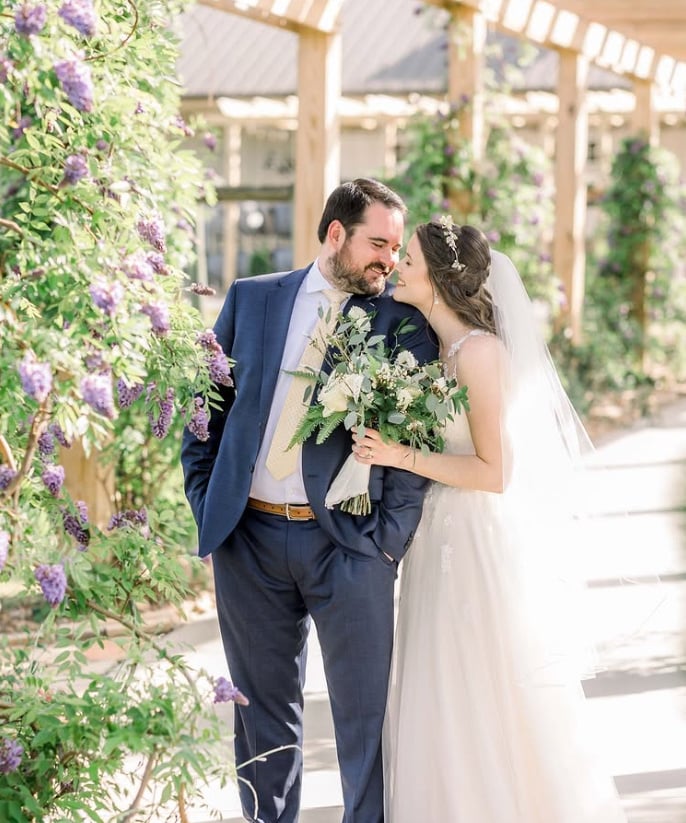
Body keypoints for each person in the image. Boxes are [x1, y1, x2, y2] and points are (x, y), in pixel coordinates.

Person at [352, 220, 629, 822]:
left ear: (441, 279)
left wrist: (396, 453)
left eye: (411, 260)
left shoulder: (480, 354)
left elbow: (495, 471)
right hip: (435, 540)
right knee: (440, 693)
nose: (398, 265)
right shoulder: (436, 348)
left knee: (479, 687)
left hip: (474, 542)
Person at [180, 179, 438, 823]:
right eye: (377, 244)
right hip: (250, 542)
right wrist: (210, 504)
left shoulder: (404, 324)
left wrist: (388, 540)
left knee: (363, 720)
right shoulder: (253, 298)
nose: (389, 259)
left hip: (351, 547)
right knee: (261, 720)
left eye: (396, 247)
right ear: (334, 234)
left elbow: (418, 439)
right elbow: (203, 409)